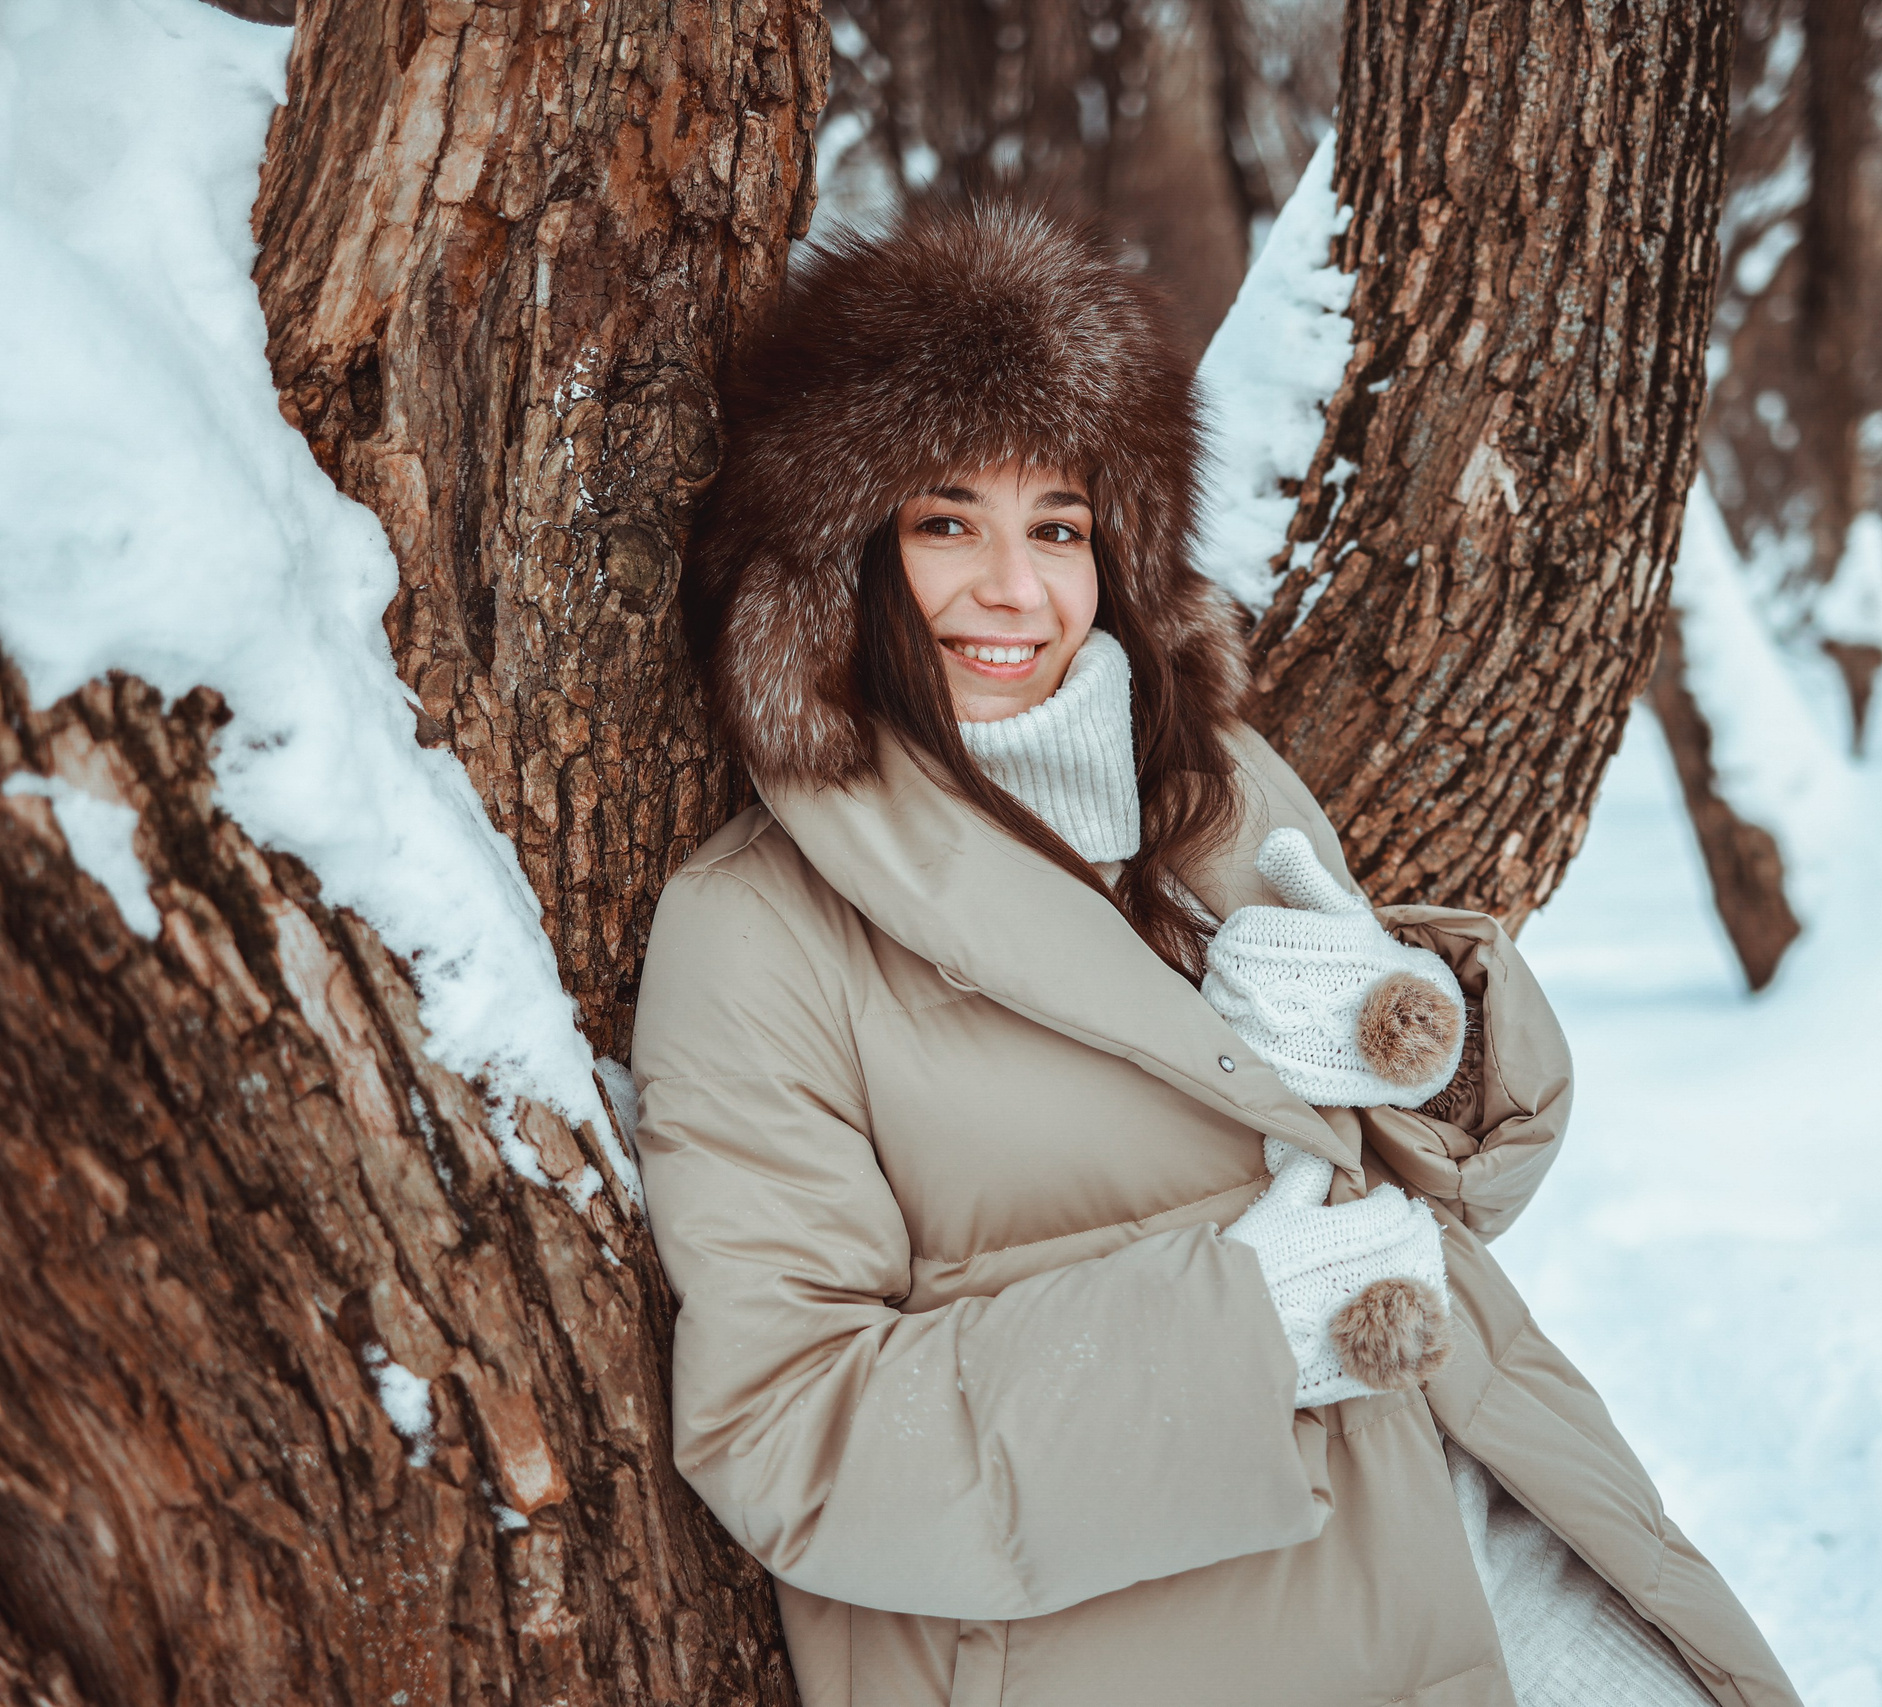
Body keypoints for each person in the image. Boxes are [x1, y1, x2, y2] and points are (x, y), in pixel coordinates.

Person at [633, 202, 1801, 1707]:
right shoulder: (756, 932)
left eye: (1059, 523)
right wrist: (1248, 1333)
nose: (1016, 589)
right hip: (1165, 1634)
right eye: (946, 522)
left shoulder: (1211, 795)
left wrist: (1416, 1037)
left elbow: (1449, 1203)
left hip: (1480, 1516)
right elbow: (790, 1438)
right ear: (833, 557)